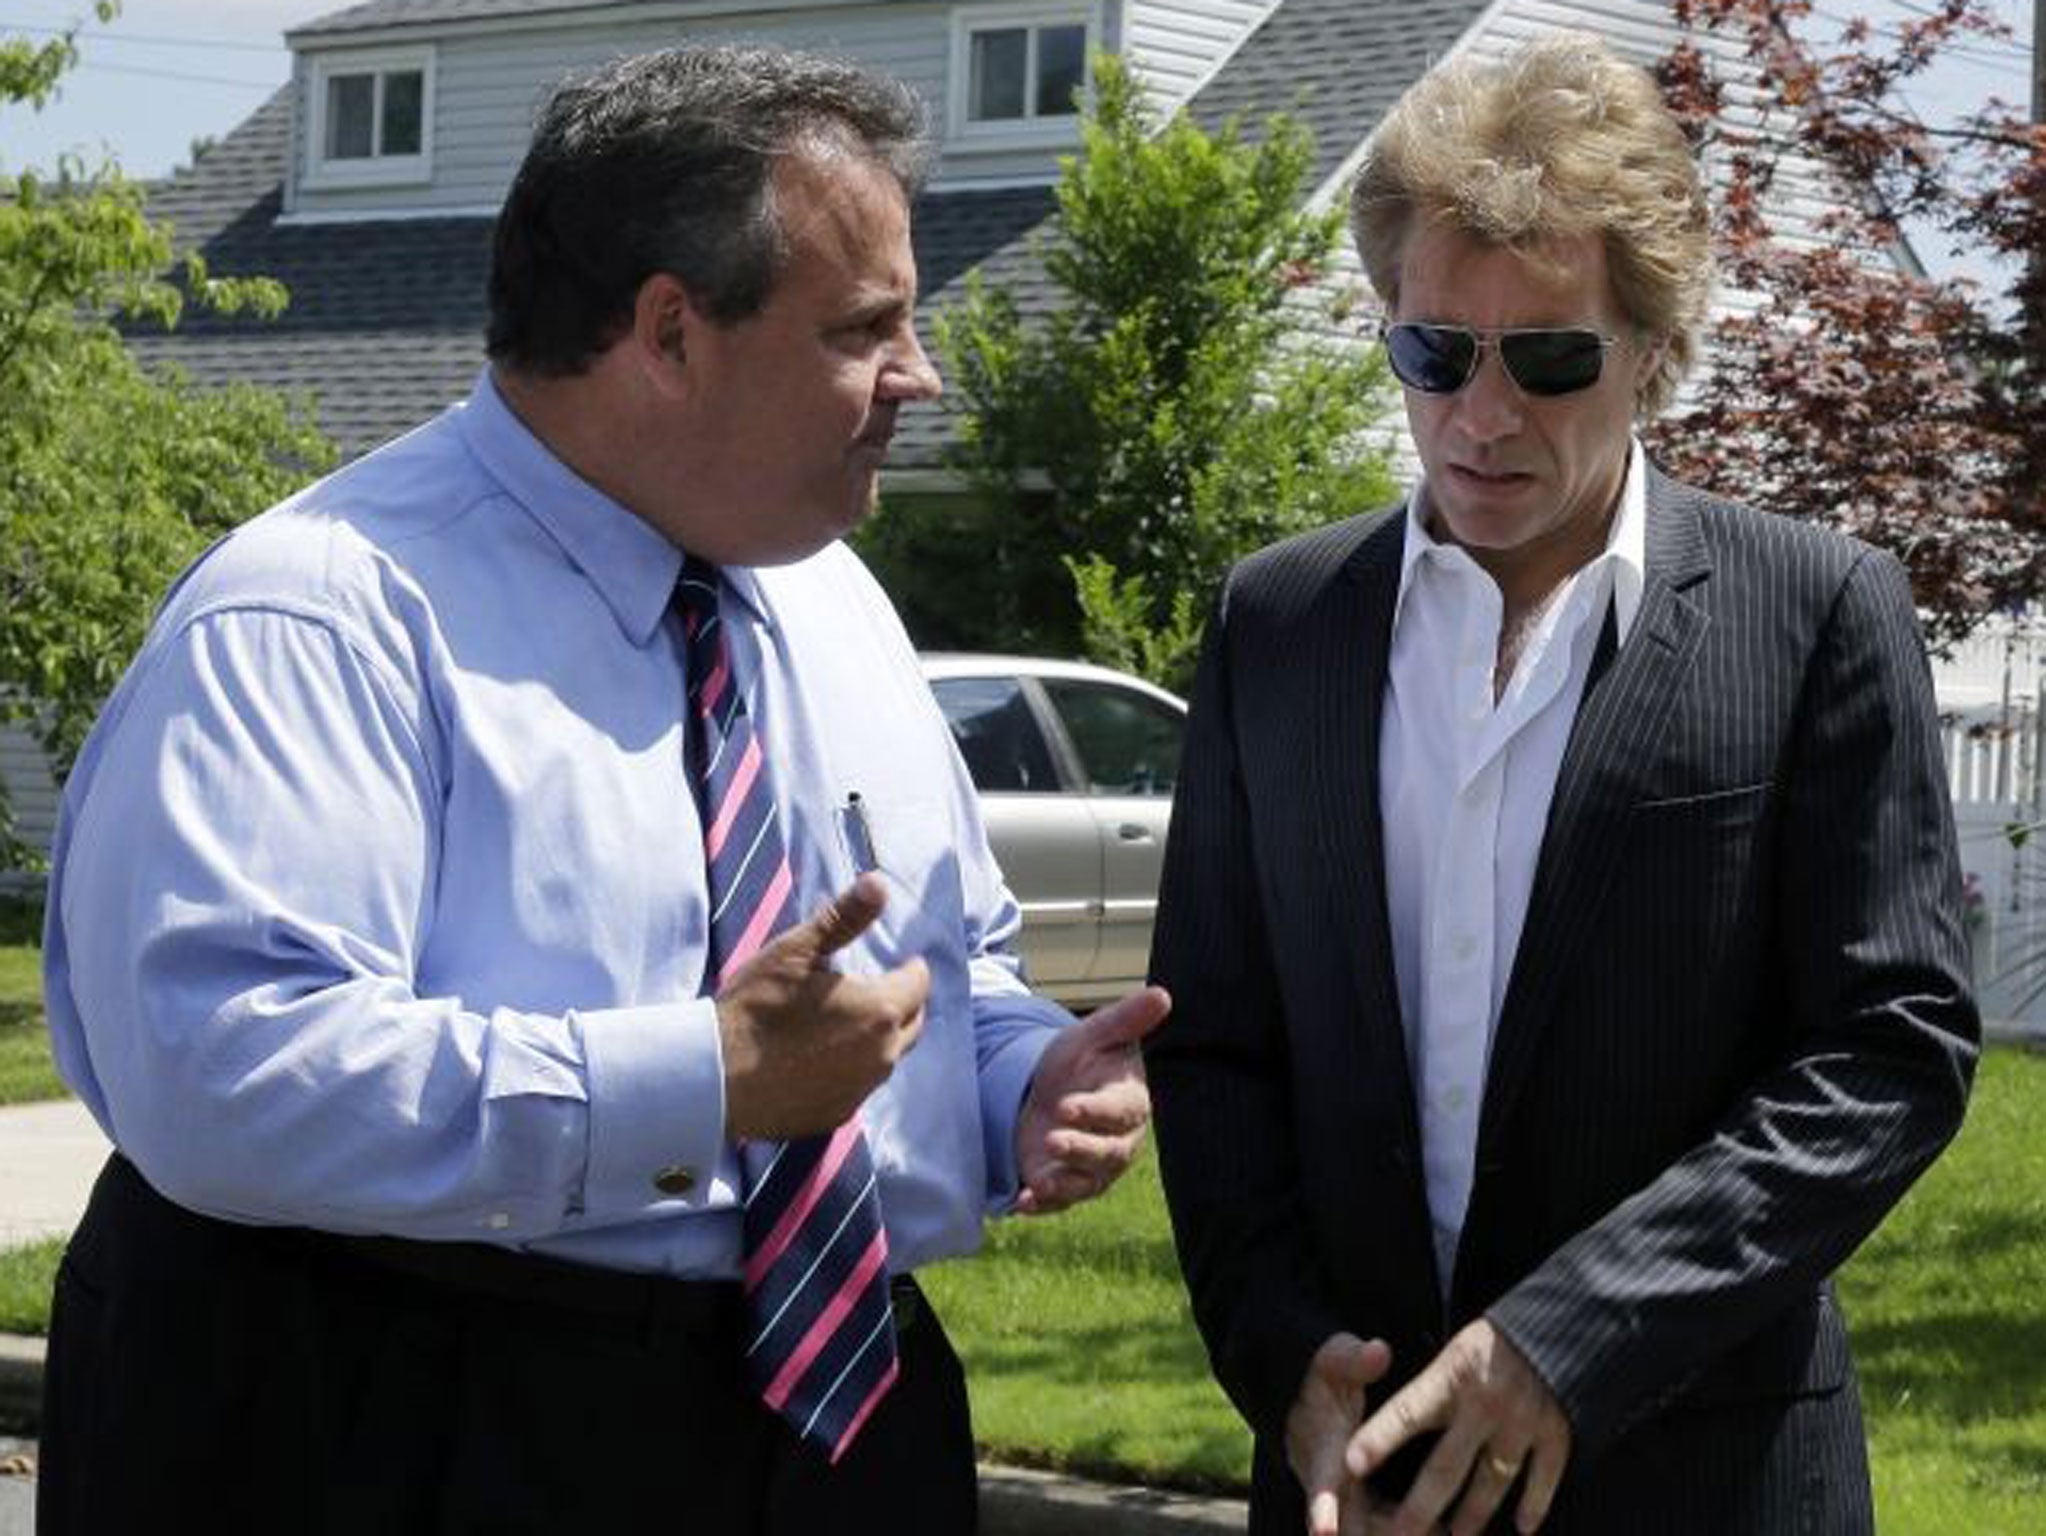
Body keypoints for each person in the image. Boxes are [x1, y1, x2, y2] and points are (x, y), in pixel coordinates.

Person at [38, 44, 1167, 1535]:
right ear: (668, 332)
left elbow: (954, 960)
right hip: (400, 1409)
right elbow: (225, 1073)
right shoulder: (319, 615)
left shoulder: (831, 600)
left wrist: (1017, 1073)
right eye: (866, 326)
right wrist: (699, 1081)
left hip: (839, 1415)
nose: (922, 372)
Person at [1145, 32, 1978, 1536]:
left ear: (1652, 345)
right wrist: (1279, 1355)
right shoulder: (1273, 623)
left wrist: (1567, 1339)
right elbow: (1210, 1046)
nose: (1481, 412)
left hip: (1705, 1476)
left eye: (1547, 356)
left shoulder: (1813, 612)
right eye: (1432, 351)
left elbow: (1888, 1047)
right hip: (1361, 1476)